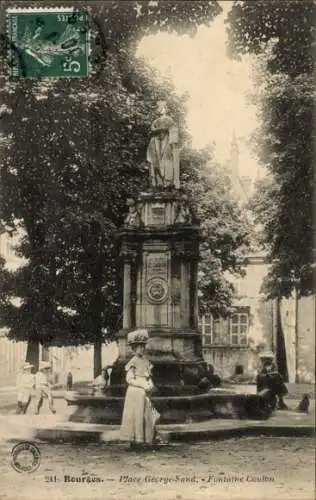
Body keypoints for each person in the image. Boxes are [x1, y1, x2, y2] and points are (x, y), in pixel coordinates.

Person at [120, 329, 160, 450]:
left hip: (144, 392)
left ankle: (145, 439)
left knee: (146, 415)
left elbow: (148, 376)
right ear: (134, 348)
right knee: (136, 415)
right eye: (139, 347)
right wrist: (142, 385)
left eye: (143, 346)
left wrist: (150, 384)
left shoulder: (146, 361)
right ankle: (135, 441)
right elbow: (130, 379)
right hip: (135, 391)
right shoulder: (133, 361)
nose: (142, 349)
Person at [146, 101, 180, 189]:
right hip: (156, 142)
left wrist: (173, 143)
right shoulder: (156, 121)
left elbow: (173, 131)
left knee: (166, 161)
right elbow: (152, 129)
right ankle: (158, 183)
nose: (160, 110)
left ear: (166, 109)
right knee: (155, 161)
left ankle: (167, 183)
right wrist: (160, 129)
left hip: (166, 141)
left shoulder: (169, 120)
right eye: (159, 108)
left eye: (162, 108)